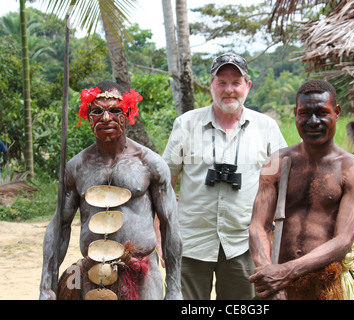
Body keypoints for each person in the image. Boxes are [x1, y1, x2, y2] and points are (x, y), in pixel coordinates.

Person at [39, 81, 182, 300]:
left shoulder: (149, 163)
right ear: (88, 116)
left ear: (128, 113)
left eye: (115, 111)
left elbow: (170, 225)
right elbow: (59, 226)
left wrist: (174, 289)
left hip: (142, 275)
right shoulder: (77, 167)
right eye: (98, 111)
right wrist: (46, 287)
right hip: (92, 274)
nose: (106, 118)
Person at [162, 52, 287, 300]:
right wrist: (161, 233)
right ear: (210, 85)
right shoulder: (186, 125)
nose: (228, 90)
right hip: (191, 243)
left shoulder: (266, 128)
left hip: (244, 244)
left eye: (236, 82)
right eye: (221, 82)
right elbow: (166, 182)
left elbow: (280, 182)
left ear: (247, 86)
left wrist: (272, 231)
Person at [249, 79, 354, 300]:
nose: (313, 121)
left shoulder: (353, 169)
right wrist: (267, 272)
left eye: (322, 112)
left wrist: (286, 272)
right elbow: (258, 225)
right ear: (295, 113)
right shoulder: (277, 161)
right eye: (304, 113)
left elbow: (343, 240)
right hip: (280, 286)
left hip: (326, 285)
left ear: (337, 112)